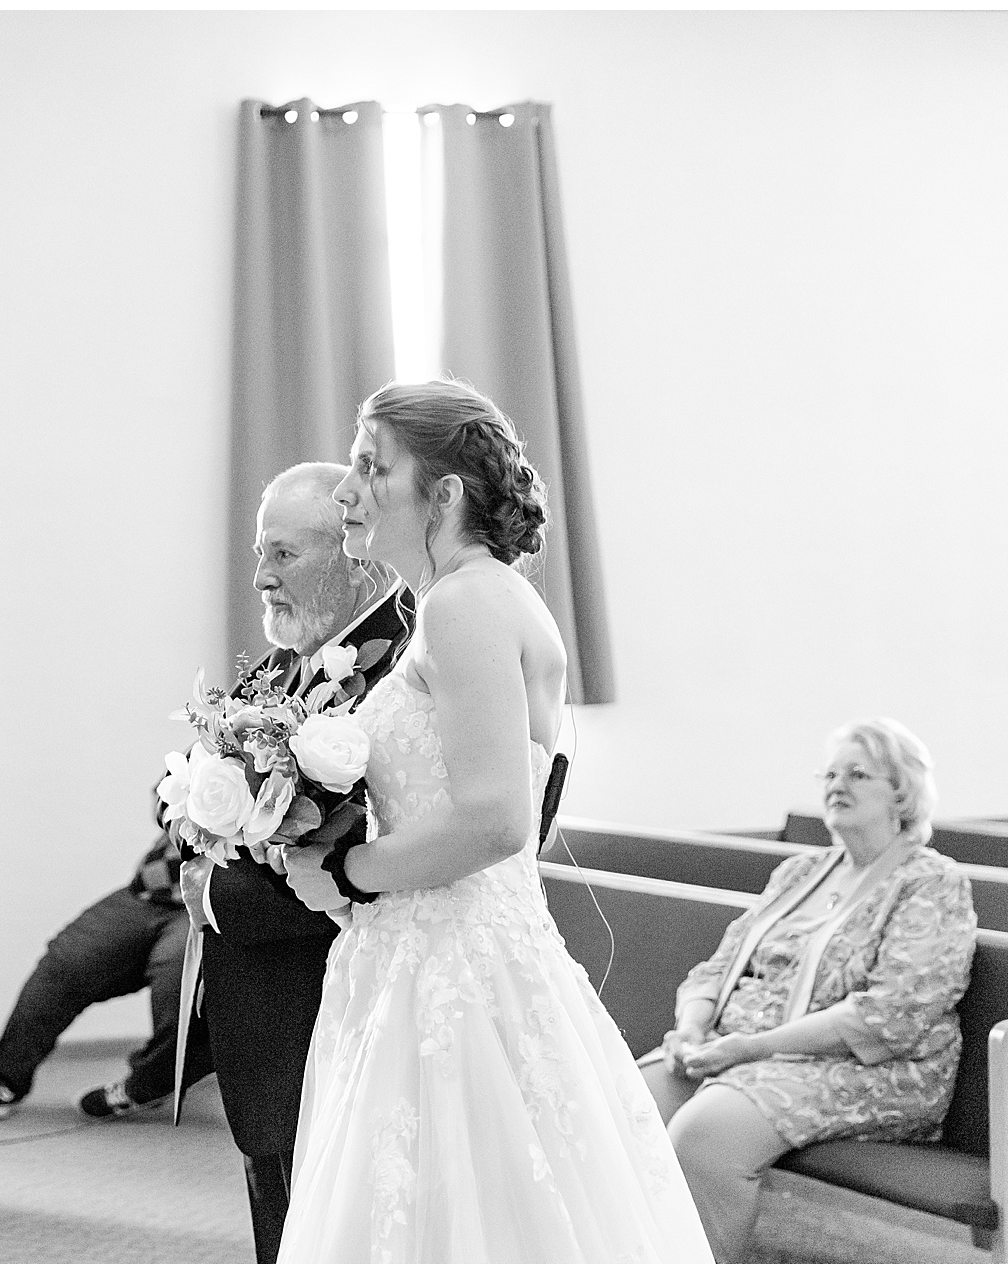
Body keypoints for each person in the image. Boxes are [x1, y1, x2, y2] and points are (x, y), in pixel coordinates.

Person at [280, 380, 712, 1262]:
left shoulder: (466, 602)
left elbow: (493, 822)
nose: (346, 491)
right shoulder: (461, 601)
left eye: (372, 467)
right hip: (431, 958)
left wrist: (348, 873)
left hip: (456, 974)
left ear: (444, 494)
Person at [640, 718, 977, 1262]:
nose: (836, 785)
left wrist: (752, 1048)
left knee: (704, 1136)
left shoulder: (930, 882)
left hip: (870, 1068)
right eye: (830, 773)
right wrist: (691, 1029)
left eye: (858, 774)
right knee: (627, 1107)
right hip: (741, 1047)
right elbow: (718, 968)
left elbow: (892, 1015)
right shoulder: (799, 872)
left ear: (903, 794)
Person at [193, 462, 412, 1263]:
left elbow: (374, 841)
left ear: (353, 555)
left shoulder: (395, 664)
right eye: (261, 553)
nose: (261, 577)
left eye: (283, 555)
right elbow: (193, 770)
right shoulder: (291, 655)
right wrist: (193, 801)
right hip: (265, 1000)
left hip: (326, 991)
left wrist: (224, 889)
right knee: (276, 1205)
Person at [0, 828, 215, 1122]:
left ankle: (147, 1085)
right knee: (65, 962)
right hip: (148, 892)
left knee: (180, 987)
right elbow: (164, 803)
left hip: (210, 909)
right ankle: (5, 1080)